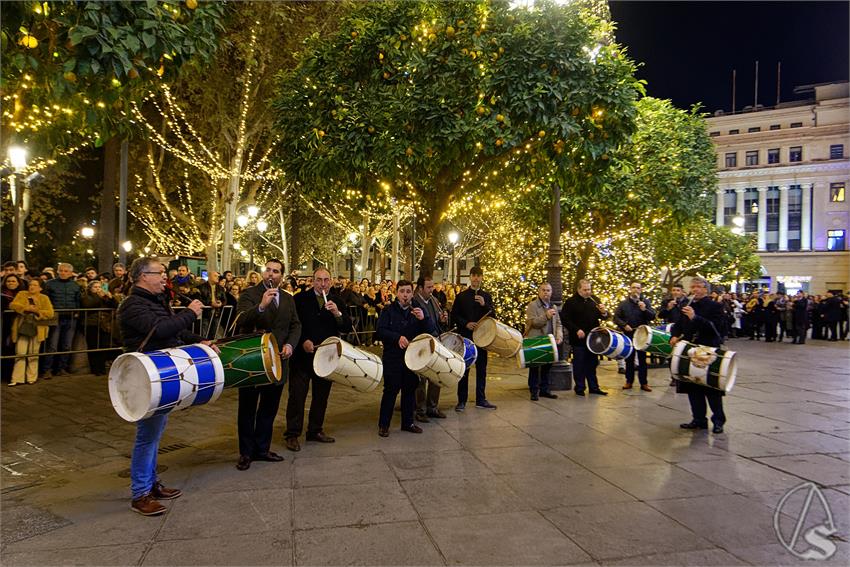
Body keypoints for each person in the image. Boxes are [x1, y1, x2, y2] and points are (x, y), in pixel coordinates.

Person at [118, 257, 209, 516]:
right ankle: (140, 494)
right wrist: (190, 313)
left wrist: (201, 341)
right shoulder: (133, 305)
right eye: (159, 273)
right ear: (142, 276)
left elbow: (174, 334)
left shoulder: (154, 301)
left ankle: (151, 483)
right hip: (144, 377)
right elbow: (160, 330)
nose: (164, 278)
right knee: (147, 437)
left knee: (155, 433)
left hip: (160, 373)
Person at [235, 259, 301, 471]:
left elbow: (295, 325)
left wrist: (291, 344)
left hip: (279, 359)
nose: (271, 275)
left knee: (269, 407)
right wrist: (261, 306)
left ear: (282, 275)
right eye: (268, 270)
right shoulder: (250, 294)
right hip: (253, 358)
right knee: (247, 407)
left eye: (276, 271)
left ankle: (262, 448)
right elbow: (241, 319)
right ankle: (246, 452)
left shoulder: (289, 299)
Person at [284, 268, 352, 451]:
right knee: (297, 396)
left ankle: (315, 430)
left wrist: (337, 313)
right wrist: (303, 340)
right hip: (302, 356)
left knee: (321, 396)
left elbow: (346, 326)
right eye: (319, 280)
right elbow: (294, 325)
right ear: (312, 281)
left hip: (326, 357)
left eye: (326, 280)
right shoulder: (300, 299)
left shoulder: (337, 300)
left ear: (331, 281)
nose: (322, 284)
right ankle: (292, 433)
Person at [377, 280, 434, 437]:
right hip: (393, 357)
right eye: (402, 291)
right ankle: (384, 425)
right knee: (391, 390)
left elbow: (430, 332)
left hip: (412, 359)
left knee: (410, 390)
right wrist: (397, 338)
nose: (405, 295)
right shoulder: (388, 310)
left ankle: (408, 423)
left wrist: (424, 319)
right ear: (397, 293)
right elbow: (380, 331)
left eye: (408, 291)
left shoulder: (417, 310)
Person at [670, 277, 727, 434]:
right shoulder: (687, 304)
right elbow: (679, 324)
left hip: (708, 350)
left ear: (705, 289)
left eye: (698, 287)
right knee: (693, 387)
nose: (694, 290)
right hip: (690, 349)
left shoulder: (715, 306)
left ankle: (718, 420)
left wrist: (695, 317)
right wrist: (674, 335)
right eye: (692, 287)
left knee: (711, 388)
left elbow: (716, 328)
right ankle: (699, 419)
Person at [450, 266, 497, 410]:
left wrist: (484, 304)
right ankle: (461, 401)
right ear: (470, 277)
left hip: (483, 338)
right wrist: (466, 323)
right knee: (464, 369)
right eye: (474, 275)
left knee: (482, 369)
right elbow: (455, 315)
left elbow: (493, 315)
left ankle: (481, 399)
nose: (476, 278)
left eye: (479, 275)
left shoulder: (487, 296)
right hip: (467, 338)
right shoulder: (462, 296)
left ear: (482, 278)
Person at [561, 279, 609, 397]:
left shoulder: (595, 300)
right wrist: (576, 330)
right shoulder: (571, 302)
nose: (588, 292)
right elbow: (565, 319)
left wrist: (604, 312)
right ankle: (580, 387)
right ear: (579, 289)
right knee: (579, 364)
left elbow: (605, 317)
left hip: (593, 338)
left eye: (589, 289)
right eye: (585, 290)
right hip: (579, 338)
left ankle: (594, 387)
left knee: (592, 363)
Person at [413, 274, 449, 420]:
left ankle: (432, 407)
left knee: (436, 375)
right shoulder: (415, 302)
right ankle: (420, 410)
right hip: (422, 344)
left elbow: (437, 322)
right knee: (421, 379)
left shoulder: (433, 300)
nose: (432, 290)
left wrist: (443, 320)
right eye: (428, 287)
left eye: (432, 286)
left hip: (435, 342)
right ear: (420, 288)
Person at [9, 278, 54, 385]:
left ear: (40, 288)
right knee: (20, 352)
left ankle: (31, 378)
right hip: (23, 327)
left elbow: (50, 313)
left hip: (38, 328)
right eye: (30, 284)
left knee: (33, 353)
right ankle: (17, 378)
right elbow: (13, 305)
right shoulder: (22, 294)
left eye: (35, 285)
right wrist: (26, 308)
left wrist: (37, 311)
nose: (31, 287)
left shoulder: (44, 298)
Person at [613, 282, 656, 391]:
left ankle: (644, 383)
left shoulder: (645, 302)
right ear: (630, 289)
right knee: (629, 359)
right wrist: (624, 325)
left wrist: (644, 309)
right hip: (629, 334)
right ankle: (629, 381)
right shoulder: (623, 304)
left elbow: (652, 316)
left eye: (638, 288)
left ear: (641, 290)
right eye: (633, 288)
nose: (635, 290)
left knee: (642, 360)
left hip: (642, 335)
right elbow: (616, 318)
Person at [524, 282, 563, 400]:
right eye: (543, 290)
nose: (546, 292)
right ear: (539, 292)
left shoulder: (553, 306)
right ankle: (534, 391)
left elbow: (558, 323)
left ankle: (545, 390)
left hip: (550, 340)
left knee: (547, 367)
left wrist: (559, 335)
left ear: (551, 292)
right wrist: (546, 316)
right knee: (535, 367)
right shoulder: (533, 305)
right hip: (537, 340)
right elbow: (532, 323)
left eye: (548, 290)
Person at [43, 263, 81, 378]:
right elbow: (46, 299)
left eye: (66, 271)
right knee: (52, 345)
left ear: (70, 273)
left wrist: (77, 312)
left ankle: (62, 368)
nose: (63, 273)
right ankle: (47, 369)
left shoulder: (75, 285)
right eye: (61, 270)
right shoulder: (49, 284)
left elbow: (77, 300)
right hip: (55, 317)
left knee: (67, 345)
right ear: (58, 271)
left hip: (70, 318)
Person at [80, 280, 117, 376]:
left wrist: (111, 298)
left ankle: (101, 367)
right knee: (93, 346)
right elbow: (88, 305)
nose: (98, 289)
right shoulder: (86, 296)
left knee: (103, 346)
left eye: (99, 287)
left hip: (104, 324)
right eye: (95, 287)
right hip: (92, 324)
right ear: (90, 288)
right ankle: (95, 368)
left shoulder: (105, 298)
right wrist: (98, 297)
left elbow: (115, 306)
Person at [2, 274, 24, 381]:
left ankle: (12, 374)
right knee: (5, 347)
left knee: (16, 349)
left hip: (19, 324)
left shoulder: (23, 294)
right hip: (4, 325)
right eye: (8, 281)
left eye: (13, 281)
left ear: (18, 283)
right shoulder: (2, 294)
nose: (10, 283)